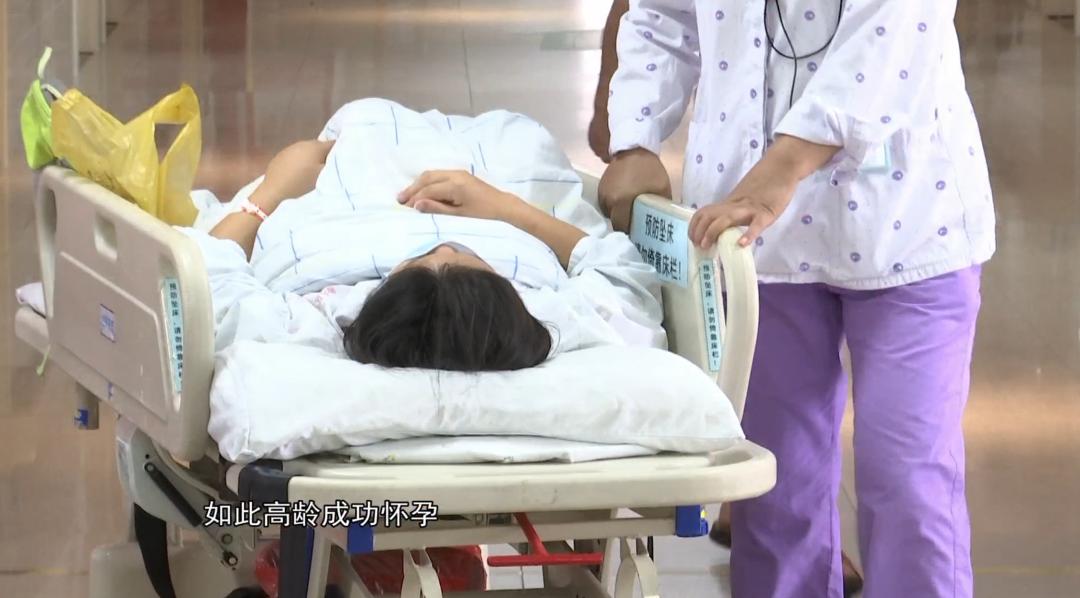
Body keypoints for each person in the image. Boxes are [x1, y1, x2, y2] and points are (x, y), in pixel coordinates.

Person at [595, 2, 993, 597]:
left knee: (908, 476)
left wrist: (784, 164)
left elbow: (894, 28)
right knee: (777, 486)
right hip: (751, 237)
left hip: (906, 221)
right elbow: (661, 15)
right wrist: (634, 139)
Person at [187, 100, 665, 372]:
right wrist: (505, 207)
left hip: (345, 218)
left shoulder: (312, 320)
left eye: (420, 263)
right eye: (465, 259)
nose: (443, 245)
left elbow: (203, 276)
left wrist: (271, 192)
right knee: (520, 139)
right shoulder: (555, 316)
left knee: (362, 122)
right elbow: (621, 273)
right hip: (500, 192)